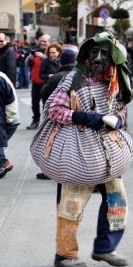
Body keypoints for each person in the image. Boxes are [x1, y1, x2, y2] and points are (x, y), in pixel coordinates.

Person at [40, 31, 133, 267]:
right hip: (78, 152)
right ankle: (64, 255)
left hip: (108, 153)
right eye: (94, 52)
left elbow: (122, 108)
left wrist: (118, 118)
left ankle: (105, 248)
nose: (98, 58)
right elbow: (54, 109)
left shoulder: (115, 79)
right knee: (70, 205)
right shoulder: (74, 78)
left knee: (116, 201)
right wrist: (90, 118)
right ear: (87, 54)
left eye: (104, 54)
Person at [36, 49, 77, 180]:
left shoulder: (56, 77)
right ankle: (73, 170)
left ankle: (50, 172)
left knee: (52, 144)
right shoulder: (81, 75)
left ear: (62, 61)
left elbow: (43, 92)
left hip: (57, 118)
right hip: (76, 117)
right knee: (72, 145)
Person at [26, 34, 52, 130]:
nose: (42, 43)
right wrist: (30, 58)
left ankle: (46, 122)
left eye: (45, 41)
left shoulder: (51, 52)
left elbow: (55, 62)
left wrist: (44, 56)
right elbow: (27, 64)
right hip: (35, 82)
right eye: (41, 41)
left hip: (47, 82)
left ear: (49, 42)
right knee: (34, 103)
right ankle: (36, 120)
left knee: (47, 104)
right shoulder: (36, 51)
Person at [0, 72, 20, 178]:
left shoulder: (1, 78)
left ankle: (3, 163)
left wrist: (7, 121)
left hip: (9, 119)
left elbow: (11, 103)